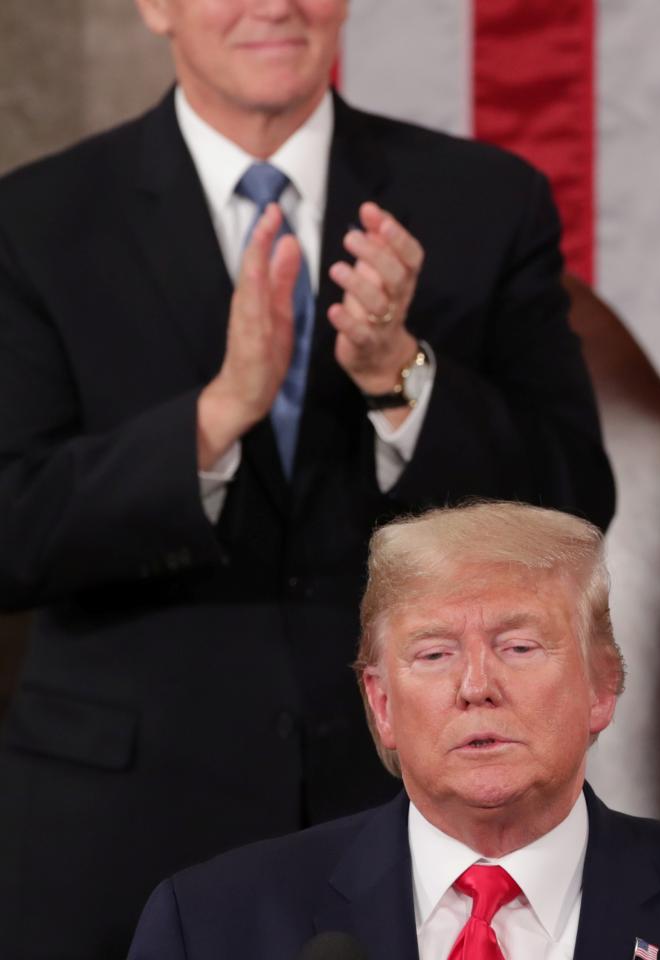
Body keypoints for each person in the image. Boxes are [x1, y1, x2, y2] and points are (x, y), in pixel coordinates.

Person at [0, 2, 614, 953]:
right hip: (121, 823)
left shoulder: (484, 201)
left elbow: (573, 501)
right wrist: (214, 419)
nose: (275, 3)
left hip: (409, 816)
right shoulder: (34, 222)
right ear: (155, 6)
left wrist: (402, 376)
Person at [125, 502, 660, 959]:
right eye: (435, 654)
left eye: (519, 646)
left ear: (604, 686)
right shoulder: (213, 927)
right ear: (380, 705)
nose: (476, 686)